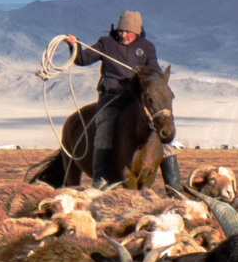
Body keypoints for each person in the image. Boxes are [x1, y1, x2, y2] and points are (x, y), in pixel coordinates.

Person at [64, 10, 181, 192]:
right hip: (111, 99)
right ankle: (100, 178)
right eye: (121, 31)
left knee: (161, 131)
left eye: (128, 32)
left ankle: (173, 187)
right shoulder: (106, 44)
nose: (124, 35)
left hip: (136, 100)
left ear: (137, 31)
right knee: (105, 126)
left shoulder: (147, 47)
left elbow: (155, 71)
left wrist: (148, 78)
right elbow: (82, 59)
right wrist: (74, 46)